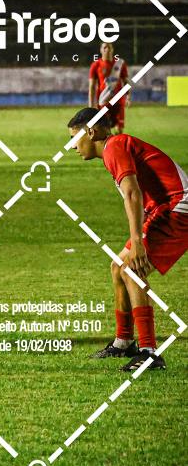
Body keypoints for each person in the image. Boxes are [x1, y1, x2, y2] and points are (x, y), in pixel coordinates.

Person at [68, 107, 188, 371]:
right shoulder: (116, 147)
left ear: (91, 132)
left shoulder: (114, 147)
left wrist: (138, 243)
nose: (73, 146)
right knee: (117, 267)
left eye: (74, 138)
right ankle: (124, 342)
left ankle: (149, 354)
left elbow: (133, 194)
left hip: (179, 208)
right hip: (164, 208)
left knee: (131, 270)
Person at [89, 42, 130, 134]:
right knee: (105, 130)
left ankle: (117, 143)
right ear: (101, 50)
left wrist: (128, 97)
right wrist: (91, 104)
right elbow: (92, 86)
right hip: (103, 101)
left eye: (109, 47)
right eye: (104, 47)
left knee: (119, 130)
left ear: (112, 49)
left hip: (118, 101)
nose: (107, 49)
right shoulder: (96, 65)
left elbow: (126, 82)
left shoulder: (120, 64)